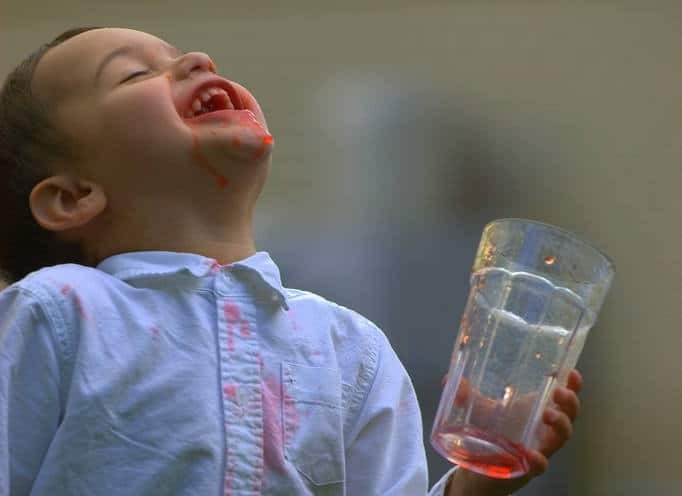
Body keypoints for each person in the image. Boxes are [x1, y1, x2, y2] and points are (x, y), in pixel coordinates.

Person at [0, 27, 581, 495]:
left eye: (178, 55)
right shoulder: (54, 314)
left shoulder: (351, 347)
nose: (199, 59)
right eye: (133, 74)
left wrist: (473, 485)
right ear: (73, 198)